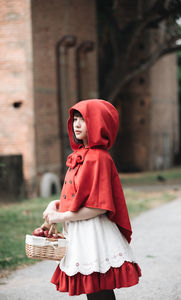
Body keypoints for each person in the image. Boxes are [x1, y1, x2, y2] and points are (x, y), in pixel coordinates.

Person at [43, 99, 141, 299]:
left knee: (99, 291)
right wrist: (55, 205)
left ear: (98, 123)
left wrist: (59, 218)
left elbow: (99, 207)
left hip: (94, 232)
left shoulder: (99, 158)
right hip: (81, 229)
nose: (76, 124)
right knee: (94, 290)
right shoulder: (81, 155)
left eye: (84, 120)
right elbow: (79, 197)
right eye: (75, 119)